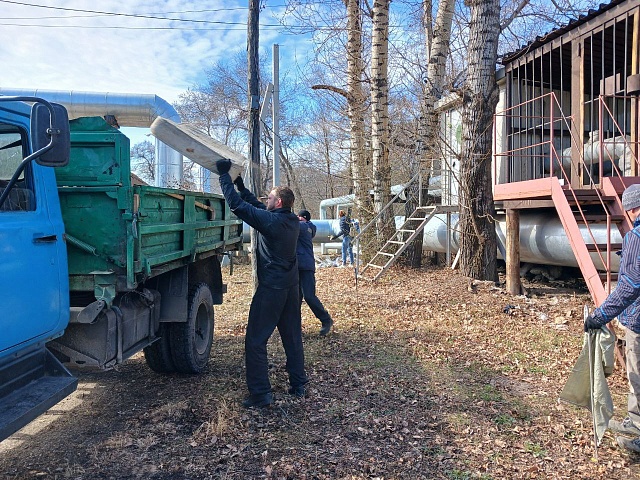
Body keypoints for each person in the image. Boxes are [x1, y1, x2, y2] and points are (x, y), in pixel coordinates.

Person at [215, 159, 308, 408]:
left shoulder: (273, 222)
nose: (266, 200)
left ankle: (261, 394)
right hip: (291, 288)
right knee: (292, 337)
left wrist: (223, 176)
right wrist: (241, 185)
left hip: (272, 290)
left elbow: (238, 207)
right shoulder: (289, 220)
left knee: (255, 341)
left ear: (277, 202)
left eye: (269, 198)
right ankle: (298, 385)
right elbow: (255, 205)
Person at [584, 183, 640, 452]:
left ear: (630, 209)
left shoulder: (636, 237)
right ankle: (635, 421)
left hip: (639, 321)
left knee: (638, 374)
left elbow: (629, 286)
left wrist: (601, 315)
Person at [297, 209, 334, 336]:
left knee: (309, 296)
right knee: (295, 298)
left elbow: (297, 224)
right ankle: (295, 327)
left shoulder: (306, 227)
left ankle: (326, 320)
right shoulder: (303, 227)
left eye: (299, 217)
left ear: (304, 218)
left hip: (306, 267)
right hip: (296, 268)